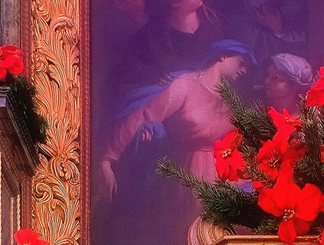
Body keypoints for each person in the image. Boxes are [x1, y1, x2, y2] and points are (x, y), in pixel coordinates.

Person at [99, 42, 253, 202]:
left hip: (225, 172)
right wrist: (108, 159)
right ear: (223, 56)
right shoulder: (185, 85)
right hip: (189, 173)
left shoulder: (231, 97)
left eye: (247, 68)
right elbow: (143, 115)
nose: (244, 71)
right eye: (241, 63)